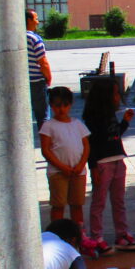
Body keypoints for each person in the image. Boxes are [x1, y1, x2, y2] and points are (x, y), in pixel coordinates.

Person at [82, 78, 135, 255]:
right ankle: (96, 237)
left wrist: (124, 123)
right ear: (105, 96)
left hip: (118, 160)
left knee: (118, 200)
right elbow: (90, 145)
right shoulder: (93, 119)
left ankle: (122, 234)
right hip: (102, 164)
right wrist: (92, 167)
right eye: (114, 93)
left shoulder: (110, 115)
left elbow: (114, 135)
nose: (117, 97)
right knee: (99, 202)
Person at [40, 86, 91, 228]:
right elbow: (45, 150)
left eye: (65, 105)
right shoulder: (48, 125)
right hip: (58, 173)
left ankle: (79, 234)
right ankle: (56, 234)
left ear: (70, 104)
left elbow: (86, 146)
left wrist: (81, 165)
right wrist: (62, 167)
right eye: (57, 106)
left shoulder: (77, 124)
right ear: (51, 105)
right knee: (58, 205)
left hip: (78, 171)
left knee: (77, 204)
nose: (61, 109)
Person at [26, 9, 53, 128]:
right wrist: (48, 77)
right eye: (36, 19)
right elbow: (43, 62)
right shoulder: (34, 39)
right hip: (37, 82)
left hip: (24, 82)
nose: (37, 22)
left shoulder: (17, 37)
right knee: (43, 116)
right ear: (29, 20)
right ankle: (46, 144)